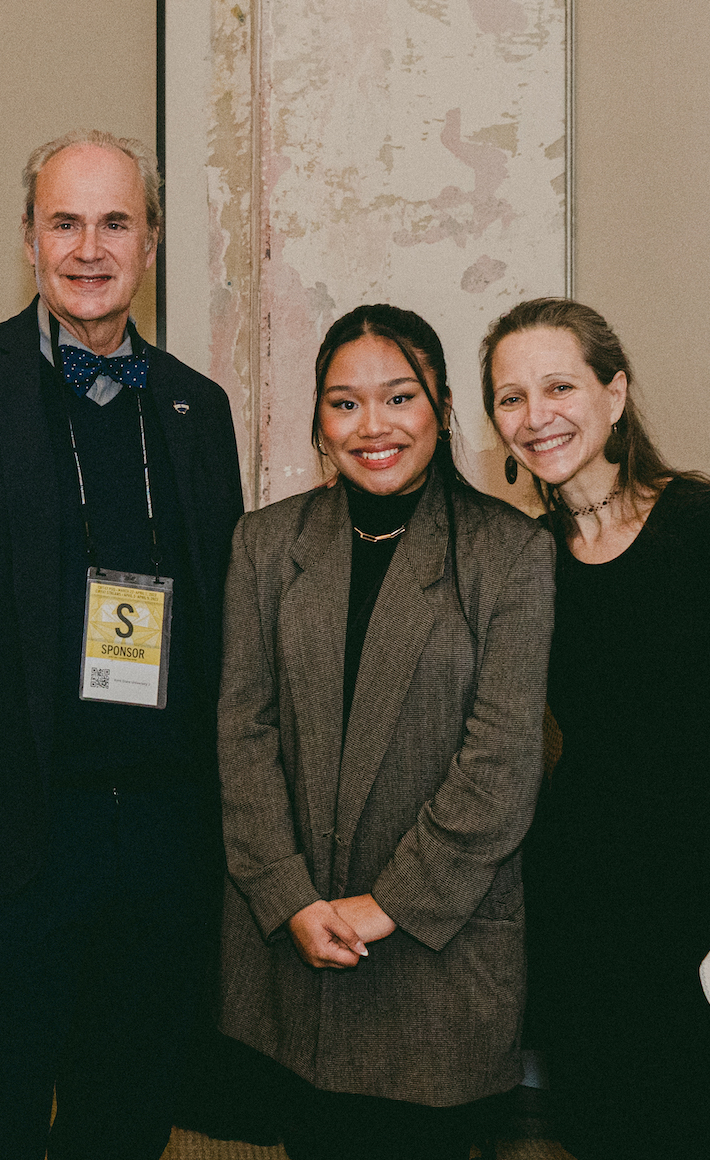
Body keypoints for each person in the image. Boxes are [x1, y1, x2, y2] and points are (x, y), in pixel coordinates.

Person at [0, 129, 244, 1160]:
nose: (90, 246)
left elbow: (223, 635)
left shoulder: (194, 409)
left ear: (152, 241)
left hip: (161, 847)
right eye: (65, 221)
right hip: (7, 844)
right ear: (30, 240)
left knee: (122, 1119)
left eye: (115, 221)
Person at [218, 304, 555, 1160]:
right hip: (295, 947)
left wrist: (383, 908)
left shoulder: (509, 554)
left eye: (399, 397)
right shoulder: (264, 546)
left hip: (438, 955)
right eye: (344, 403)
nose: (372, 426)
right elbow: (243, 735)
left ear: (442, 408)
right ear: (319, 423)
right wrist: (289, 896)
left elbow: (502, 764)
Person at [480, 297, 710, 1159]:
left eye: (558, 385)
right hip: (587, 918)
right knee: (605, 1134)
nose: (535, 415)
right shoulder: (529, 560)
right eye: (510, 398)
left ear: (615, 394)